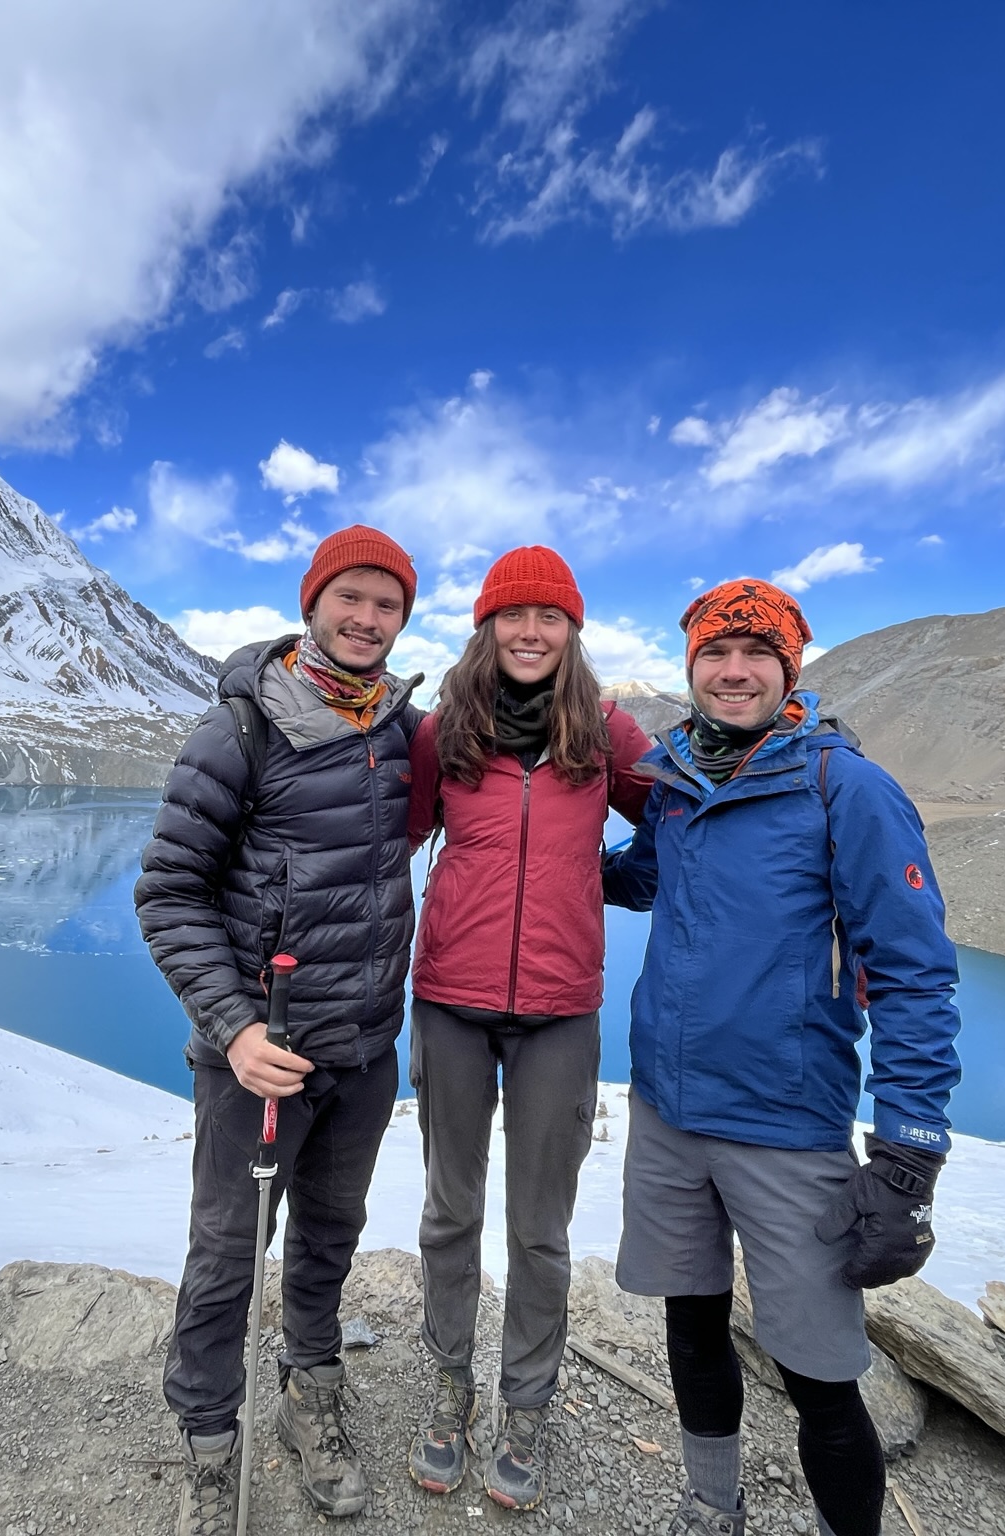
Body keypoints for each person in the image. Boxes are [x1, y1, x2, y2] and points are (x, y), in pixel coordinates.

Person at [602, 578, 962, 1536]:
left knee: (821, 1374)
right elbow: (638, 878)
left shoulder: (845, 786)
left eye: (757, 654)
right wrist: (532, 845)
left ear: (789, 667)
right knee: (691, 1325)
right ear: (691, 669)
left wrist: (909, 1154)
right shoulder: (678, 784)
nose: (733, 671)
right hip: (668, 1115)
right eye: (715, 654)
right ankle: (710, 1507)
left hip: (787, 1129)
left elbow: (916, 974)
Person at [135, 525, 423, 1536]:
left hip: (363, 1048)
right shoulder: (240, 727)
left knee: (329, 1237)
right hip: (256, 1060)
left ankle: (310, 1395)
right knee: (225, 1251)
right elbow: (169, 892)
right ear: (313, 602)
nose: (365, 618)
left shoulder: (401, 728)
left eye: (385, 604)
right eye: (349, 596)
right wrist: (232, 1026)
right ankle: (208, 1445)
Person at [403, 545, 655, 1510]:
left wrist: (614, 880)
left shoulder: (606, 732)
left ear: (572, 632)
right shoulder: (442, 734)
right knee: (449, 1212)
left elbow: (682, 825)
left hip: (560, 1014)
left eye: (551, 618)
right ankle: (447, 1385)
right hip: (452, 1005)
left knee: (539, 1229)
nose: (531, 633)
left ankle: (527, 1407)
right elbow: (391, 837)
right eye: (515, 616)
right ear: (487, 626)